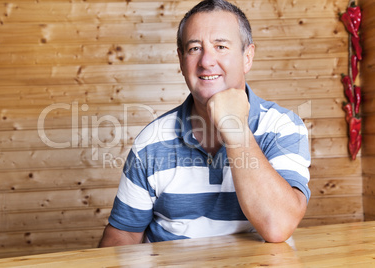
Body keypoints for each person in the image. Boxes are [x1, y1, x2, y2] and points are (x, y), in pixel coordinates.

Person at [98, 0, 310, 247]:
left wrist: (235, 129)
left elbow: (278, 226)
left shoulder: (283, 127)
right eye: (195, 48)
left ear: (247, 57)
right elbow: (122, 234)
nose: (206, 61)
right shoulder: (151, 140)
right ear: (181, 60)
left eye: (221, 46)